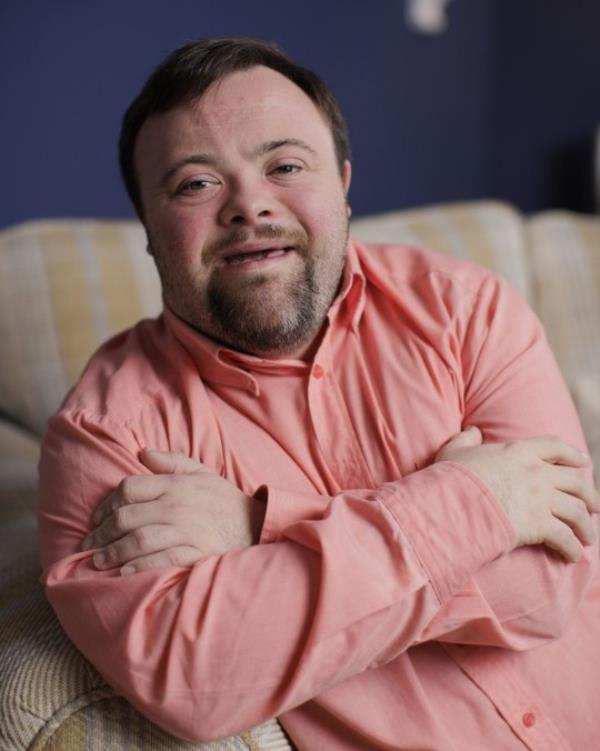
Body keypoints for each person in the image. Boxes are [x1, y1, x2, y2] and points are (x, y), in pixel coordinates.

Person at [38, 38, 600, 750]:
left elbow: (545, 590)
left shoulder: (467, 309)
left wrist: (259, 525)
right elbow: (194, 677)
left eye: (285, 166)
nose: (250, 205)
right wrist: (472, 502)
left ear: (342, 183)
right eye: (195, 184)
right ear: (148, 231)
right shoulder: (105, 433)